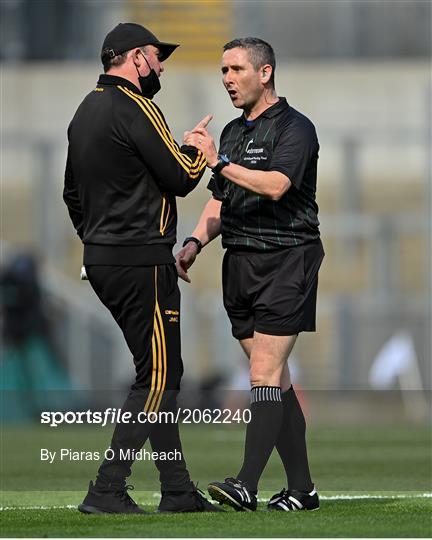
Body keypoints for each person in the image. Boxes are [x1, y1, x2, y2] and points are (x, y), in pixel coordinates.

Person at [63, 22, 220, 514]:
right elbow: (182, 176)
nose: (162, 65)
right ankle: (108, 486)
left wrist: (99, 243)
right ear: (134, 59)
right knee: (159, 375)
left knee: (159, 373)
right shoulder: (137, 106)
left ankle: (176, 489)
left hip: (105, 260)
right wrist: (199, 146)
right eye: (157, 56)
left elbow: (72, 195)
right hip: (140, 261)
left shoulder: (84, 110)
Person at [176, 37, 324, 512]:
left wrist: (217, 159)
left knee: (262, 373)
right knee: (273, 383)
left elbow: (277, 186)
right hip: (239, 264)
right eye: (223, 70)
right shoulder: (237, 133)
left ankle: (245, 483)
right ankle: (303, 489)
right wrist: (195, 241)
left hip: (287, 260)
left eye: (237, 69)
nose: (227, 79)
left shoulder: (296, 128)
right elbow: (221, 199)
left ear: (265, 73)